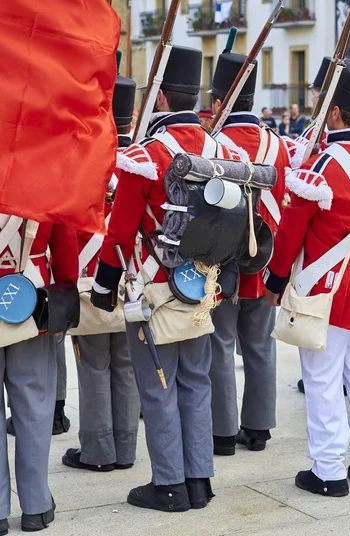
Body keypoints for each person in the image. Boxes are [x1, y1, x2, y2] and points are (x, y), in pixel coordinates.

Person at [91, 45, 241, 513]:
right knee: (196, 381)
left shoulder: (147, 155)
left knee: (158, 385)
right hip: (203, 284)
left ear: (160, 100)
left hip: (154, 287)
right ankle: (199, 480)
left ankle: (170, 485)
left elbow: (119, 230)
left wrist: (102, 288)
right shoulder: (223, 149)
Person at [265, 58, 350, 496]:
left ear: (335, 112)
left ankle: (328, 471)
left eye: (323, 101)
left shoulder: (323, 166)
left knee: (322, 377)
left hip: (325, 290)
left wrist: (274, 281)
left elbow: (290, 235)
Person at [209, 53, 290, 456]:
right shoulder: (278, 143)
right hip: (266, 259)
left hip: (223, 262)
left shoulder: (214, 144)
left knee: (221, 344)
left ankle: (222, 433)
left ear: (222, 101)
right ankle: (258, 428)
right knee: (260, 347)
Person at [62, 75, 141, 473]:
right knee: (126, 366)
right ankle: (126, 449)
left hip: (91, 281)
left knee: (93, 367)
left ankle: (97, 451)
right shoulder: (143, 162)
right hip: (131, 282)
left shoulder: (81, 164)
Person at [0, 221, 78, 532]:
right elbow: (64, 238)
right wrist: (66, 288)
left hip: (27, 298)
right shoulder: (41, 172)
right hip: (28, 297)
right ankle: (36, 505)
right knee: (34, 405)